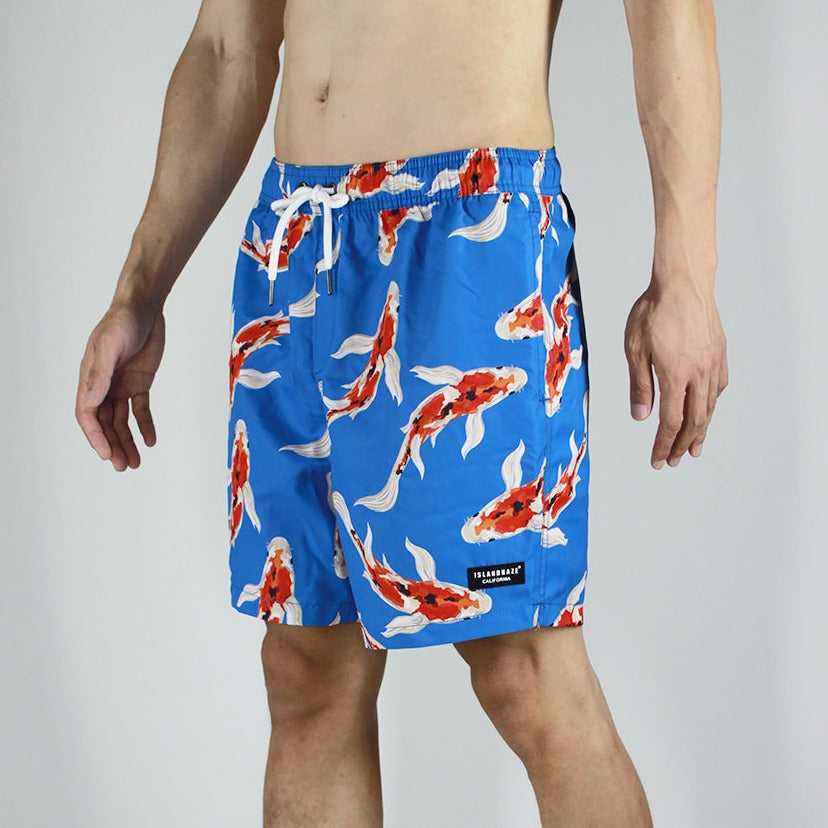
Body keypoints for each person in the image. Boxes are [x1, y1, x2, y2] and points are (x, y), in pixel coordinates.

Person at [75, 1, 727, 825]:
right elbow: (226, 46)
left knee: (524, 668)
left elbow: (672, 11)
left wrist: (687, 273)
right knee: (305, 664)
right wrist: (138, 291)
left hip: (468, 231)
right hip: (293, 243)